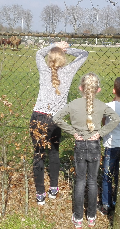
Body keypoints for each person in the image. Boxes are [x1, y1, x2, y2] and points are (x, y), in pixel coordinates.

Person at [53, 73, 120, 229]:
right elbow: (116, 119)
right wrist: (100, 133)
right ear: (98, 90)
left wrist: (73, 132)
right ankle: (91, 216)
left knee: (80, 181)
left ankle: (77, 217)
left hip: (80, 145)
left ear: (80, 88)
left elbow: (57, 118)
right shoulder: (102, 105)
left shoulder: (73, 104)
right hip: (94, 145)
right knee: (92, 181)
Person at [29, 41, 88, 205]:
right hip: (56, 120)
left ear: (49, 60)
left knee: (38, 154)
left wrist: (54, 45)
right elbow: (84, 54)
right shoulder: (69, 71)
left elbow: (38, 53)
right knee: (54, 152)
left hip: (38, 118)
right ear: (64, 60)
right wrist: (67, 49)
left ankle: (40, 193)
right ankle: (53, 188)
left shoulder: (44, 69)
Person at [100, 76, 120, 215]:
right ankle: (118, 202)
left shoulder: (108, 106)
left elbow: (103, 121)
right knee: (119, 176)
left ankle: (106, 204)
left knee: (107, 176)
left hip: (110, 146)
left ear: (113, 90)